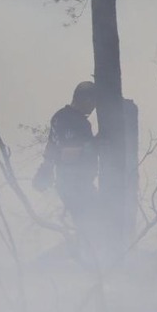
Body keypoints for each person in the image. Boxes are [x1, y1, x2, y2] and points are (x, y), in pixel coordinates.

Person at [34, 81, 99, 229]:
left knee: (92, 226)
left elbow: (52, 148)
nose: (93, 107)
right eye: (92, 102)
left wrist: (45, 170)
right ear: (84, 99)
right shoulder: (70, 119)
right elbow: (68, 154)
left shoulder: (61, 117)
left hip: (74, 185)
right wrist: (96, 144)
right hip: (76, 186)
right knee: (95, 225)